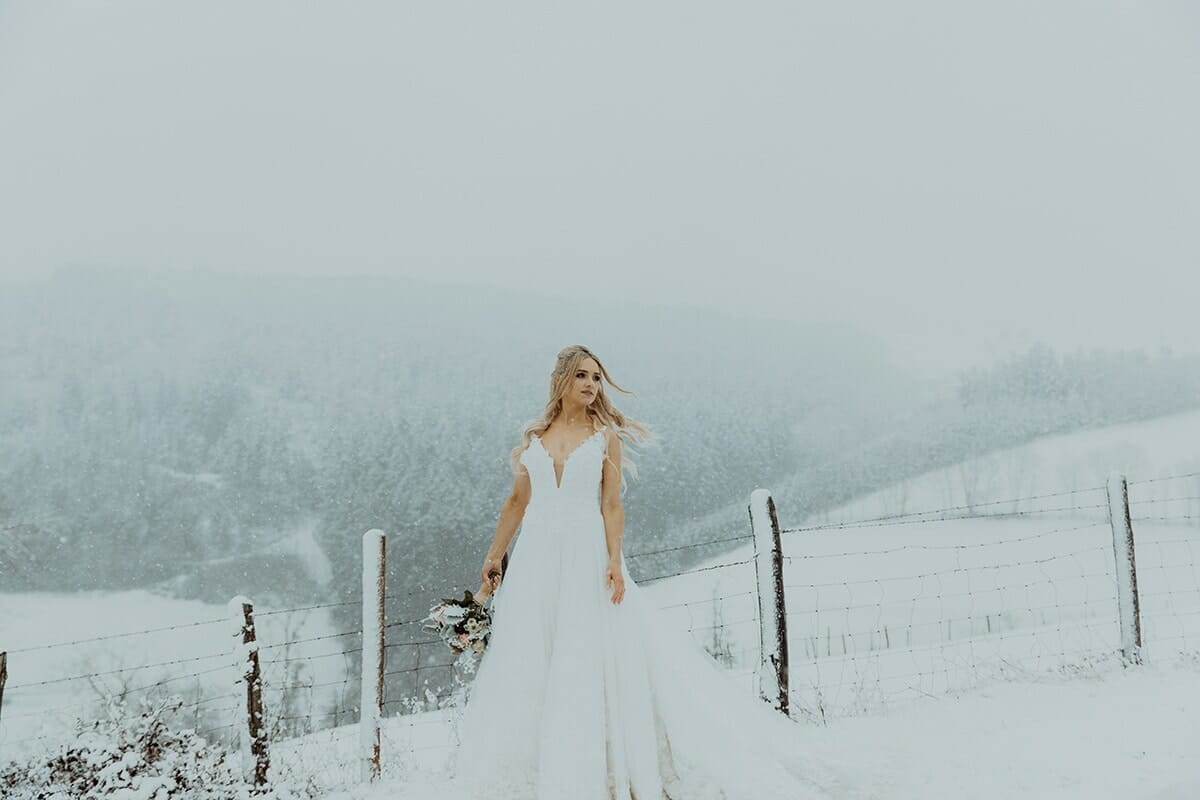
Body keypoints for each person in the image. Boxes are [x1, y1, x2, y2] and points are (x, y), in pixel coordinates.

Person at [452, 345, 842, 800]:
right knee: (531, 658)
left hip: (585, 554)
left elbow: (612, 504)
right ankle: (532, 771)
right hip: (536, 558)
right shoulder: (533, 436)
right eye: (582, 376)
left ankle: (594, 767)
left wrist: (614, 560)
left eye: (596, 378)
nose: (591, 385)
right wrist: (495, 555)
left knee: (585, 655)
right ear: (560, 379)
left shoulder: (604, 436)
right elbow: (517, 501)